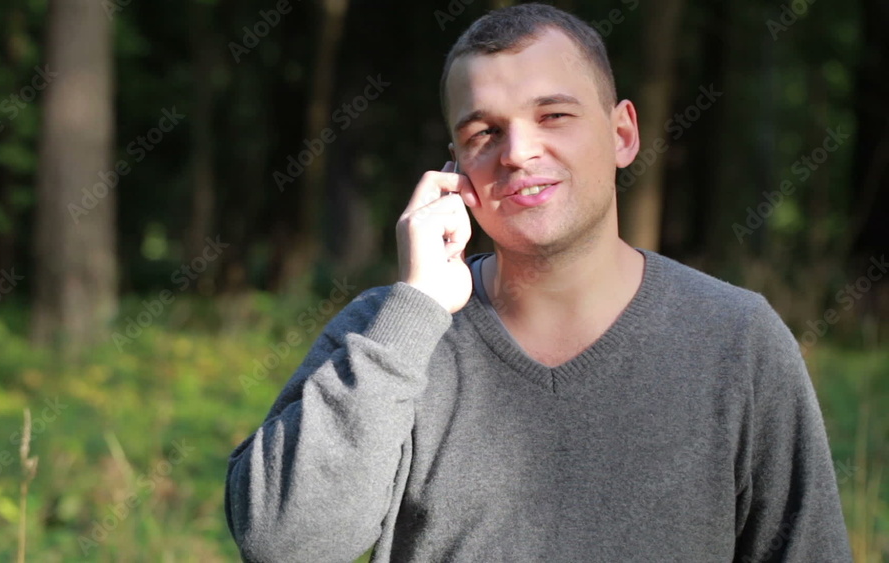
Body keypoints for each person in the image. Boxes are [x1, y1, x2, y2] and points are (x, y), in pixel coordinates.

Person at [225, 3, 853, 562]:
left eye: (553, 115)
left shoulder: (737, 340)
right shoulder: (390, 333)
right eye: (483, 133)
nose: (518, 152)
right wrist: (415, 309)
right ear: (455, 169)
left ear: (622, 135)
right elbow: (285, 545)